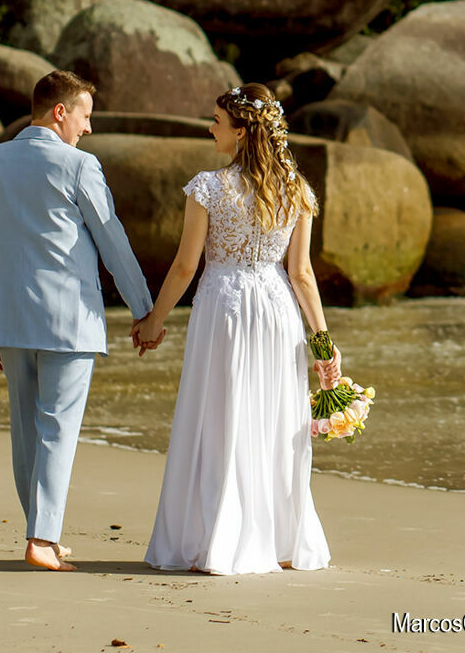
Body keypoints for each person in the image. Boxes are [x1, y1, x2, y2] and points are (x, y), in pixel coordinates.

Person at [138, 82, 340, 575]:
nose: (210, 129)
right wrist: (322, 344)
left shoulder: (209, 187)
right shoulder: (297, 191)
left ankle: (218, 539)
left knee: (221, 419)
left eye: (217, 121)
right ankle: (277, 542)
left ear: (243, 131)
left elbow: (186, 267)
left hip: (224, 308)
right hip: (275, 310)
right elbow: (301, 274)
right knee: (272, 419)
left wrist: (153, 322)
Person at [0, 70, 157, 572]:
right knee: (58, 427)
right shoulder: (79, 166)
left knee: (26, 431)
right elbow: (113, 240)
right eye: (85, 116)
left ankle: (40, 530)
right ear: (60, 112)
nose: (88, 128)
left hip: (8, 317)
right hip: (69, 318)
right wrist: (144, 309)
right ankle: (42, 538)